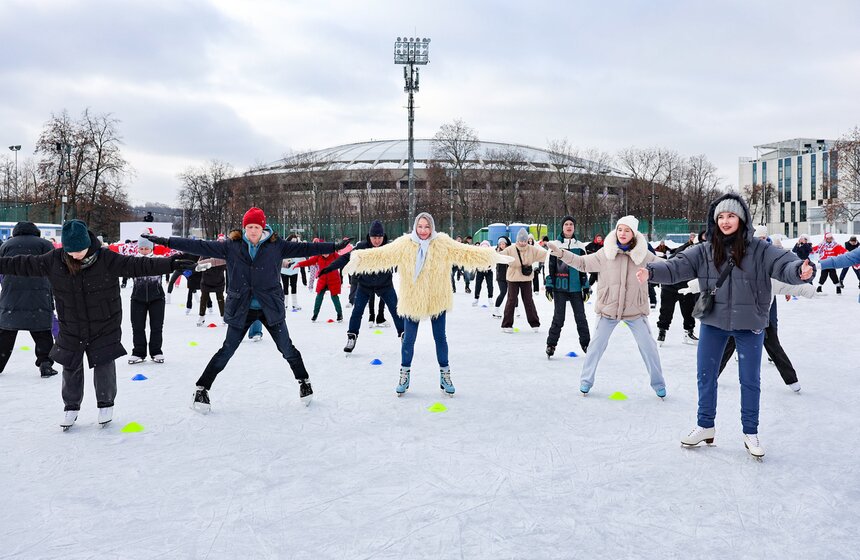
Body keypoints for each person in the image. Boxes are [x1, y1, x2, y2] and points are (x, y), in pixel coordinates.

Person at [639, 194, 813, 459]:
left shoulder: (760, 249)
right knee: (706, 375)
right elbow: (677, 267)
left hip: (750, 324)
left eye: (731, 215)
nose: (725, 221)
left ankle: (750, 432)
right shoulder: (706, 250)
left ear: (741, 218)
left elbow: (783, 264)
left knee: (750, 380)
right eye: (720, 216)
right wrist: (651, 272)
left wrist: (799, 270)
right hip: (714, 322)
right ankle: (705, 425)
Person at [143, 208, 346, 411]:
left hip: (270, 307)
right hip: (242, 307)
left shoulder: (277, 246)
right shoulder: (232, 246)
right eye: (249, 227)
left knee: (287, 348)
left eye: (256, 227)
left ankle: (304, 381)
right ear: (244, 227)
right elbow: (200, 245)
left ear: (263, 227)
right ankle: (202, 388)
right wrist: (165, 241)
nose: (253, 231)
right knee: (227, 350)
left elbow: (307, 249)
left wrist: (335, 246)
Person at [0, 219, 191, 430]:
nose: (75, 255)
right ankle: (70, 407)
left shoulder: (105, 258)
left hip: (104, 322)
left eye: (80, 250)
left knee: (104, 363)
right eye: (71, 252)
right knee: (70, 364)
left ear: (88, 244)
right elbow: (20, 263)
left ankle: (105, 404)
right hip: (71, 323)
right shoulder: (54, 260)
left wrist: (171, 263)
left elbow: (138, 265)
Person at [343, 212, 512, 396]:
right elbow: (382, 255)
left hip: (437, 298)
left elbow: (465, 252)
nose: (423, 231)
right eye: (420, 226)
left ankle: (445, 376)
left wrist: (491, 256)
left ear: (432, 227)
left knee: (440, 338)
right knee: (408, 340)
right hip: (413, 299)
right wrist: (358, 260)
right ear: (415, 226)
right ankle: (404, 375)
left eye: (427, 227)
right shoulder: (405, 243)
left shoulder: (442, 243)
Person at [548, 216, 665, 398]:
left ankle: (658, 384)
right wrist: (561, 253)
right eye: (620, 229)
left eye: (627, 230)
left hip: (635, 310)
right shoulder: (606, 253)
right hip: (608, 309)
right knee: (596, 346)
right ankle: (586, 381)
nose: (622, 233)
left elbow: (667, 269)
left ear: (633, 233)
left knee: (648, 346)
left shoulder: (644, 255)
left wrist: (685, 268)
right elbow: (583, 263)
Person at [713, 227, 813, 393]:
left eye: (763, 238)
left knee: (772, 342)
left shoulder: (769, 255)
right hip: (741, 312)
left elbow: (780, 282)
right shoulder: (740, 256)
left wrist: (804, 289)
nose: (760, 241)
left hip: (762, 310)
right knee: (730, 343)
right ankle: (713, 375)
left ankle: (792, 380)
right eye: (758, 238)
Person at [321, 220, 404, 353]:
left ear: (383, 237)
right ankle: (352, 337)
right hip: (365, 285)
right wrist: (330, 267)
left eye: (379, 237)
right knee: (357, 311)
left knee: (396, 310)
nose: (377, 241)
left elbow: (406, 257)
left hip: (385, 285)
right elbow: (346, 258)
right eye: (374, 237)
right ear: (369, 236)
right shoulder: (362, 247)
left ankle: (404, 335)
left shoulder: (390, 248)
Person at [0, 221, 58, 378]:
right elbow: (54, 267)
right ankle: (45, 363)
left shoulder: (6, 245)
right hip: (39, 293)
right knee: (42, 331)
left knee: (6, 331)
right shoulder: (45, 244)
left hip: (11, 294)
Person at [544, 215, 591, 357]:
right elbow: (549, 266)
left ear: (574, 227)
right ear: (562, 227)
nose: (569, 226)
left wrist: (586, 286)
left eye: (571, 224)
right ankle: (551, 345)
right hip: (560, 287)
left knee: (581, 317)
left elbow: (584, 266)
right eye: (566, 224)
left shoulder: (580, 246)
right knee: (559, 318)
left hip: (576, 288)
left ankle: (586, 344)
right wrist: (549, 285)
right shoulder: (555, 245)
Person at [128, 235, 167, 364]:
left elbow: (171, 264)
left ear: (151, 249)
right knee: (137, 326)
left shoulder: (158, 260)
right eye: (142, 248)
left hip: (157, 298)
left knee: (156, 326)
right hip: (137, 298)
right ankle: (138, 352)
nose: (144, 251)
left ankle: (156, 351)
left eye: (146, 248)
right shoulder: (133, 262)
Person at [498, 229, 547, 333]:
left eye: (525, 241)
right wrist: (493, 255)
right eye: (521, 241)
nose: (523, 243)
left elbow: (545, 255)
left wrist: (556, 253)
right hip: (513, 278)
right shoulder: (511, 249)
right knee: (511, 300)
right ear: (517, 240)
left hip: (526, 278)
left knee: (528, 300)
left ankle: (535, 323)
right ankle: (507, 325)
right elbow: (501, 256)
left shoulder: (532, 249)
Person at [656, 232, 700, 346]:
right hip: (670, 286)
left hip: (686, 287)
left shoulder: (701, 256)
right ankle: (662, 331)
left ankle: (688, 332)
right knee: (666, 310)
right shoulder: (681, 252)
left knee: (688, 310)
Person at [294, 240, 344, 322]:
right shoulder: (318, 256)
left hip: (333, 279)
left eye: (327, 252)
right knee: (319, 297)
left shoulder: (335, 255)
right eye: (323, 252)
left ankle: (340, 314)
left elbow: (344, 260)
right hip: (323, 279)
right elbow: (309, 261)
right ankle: (315, 314)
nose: (325, 254)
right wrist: (299, 264)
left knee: (334, 297)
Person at [492, 236, 513, 318]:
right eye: (500, 244)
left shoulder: (510, 251)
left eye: (503, 243)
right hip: (501, 277)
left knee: (512, 293)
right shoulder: (496, 252)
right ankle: (496, 309)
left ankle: (516, 309)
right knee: (503, 292)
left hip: (510, 275)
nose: (502, 245)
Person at [282, 233, 303, 311]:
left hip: (294, 271)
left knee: (294, 286)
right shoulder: (285, 248)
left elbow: (300, 258)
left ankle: (294, 304)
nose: (293, 242)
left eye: (295, 241)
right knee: (285, 287)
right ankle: (285, 304)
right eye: (292, 240)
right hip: (284, 271)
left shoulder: (298, 249)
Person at [472, 240, 494, 307]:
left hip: (488, 271)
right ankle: (476, 298)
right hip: (480, 271)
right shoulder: (478, 254)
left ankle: (490, 297)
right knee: (478, 285)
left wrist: (490, 267)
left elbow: (493, 261)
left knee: (490, 285)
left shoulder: (491, 253)